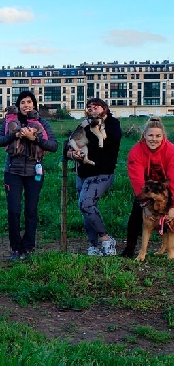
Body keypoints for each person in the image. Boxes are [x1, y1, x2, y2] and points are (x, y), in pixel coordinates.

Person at [0, 91, 58, 261]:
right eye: (23, 102)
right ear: (18, 105)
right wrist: (14, 135)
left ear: (34, 105)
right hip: (12, 172)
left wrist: (34, 138)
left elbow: (53, 145)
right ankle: (16, 248)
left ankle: (28, 247)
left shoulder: (42, 123)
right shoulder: (10, 122)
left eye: (29, 102)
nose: (26, 105)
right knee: (13, 211)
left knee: (31, 211)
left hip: (33, 173)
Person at [65, 98, 122, 256]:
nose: (91, 109)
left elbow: (111, 140)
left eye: (95, 107)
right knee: (86, 209)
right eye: (89, 107)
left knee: (86, 205)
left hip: (102, 173)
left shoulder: (112, 124)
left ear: (104, 108)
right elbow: (69, 144)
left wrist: (90, 126)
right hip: (82, 173)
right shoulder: (83, 124)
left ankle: (105, 239)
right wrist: (72, 154)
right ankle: (94, 245)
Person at [120, 117, 174, 258]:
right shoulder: (136, 152)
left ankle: (169, 249)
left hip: (168, 188)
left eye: (158, 136)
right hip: (147, 188)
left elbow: (173, 179)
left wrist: (172, 206)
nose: (154, 139)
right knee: (136, 214)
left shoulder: (171, 151)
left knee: (172, 218)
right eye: (150, 135)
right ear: (144, 135)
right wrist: (145, 206)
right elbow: (137, 180)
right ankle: (130, 248)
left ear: (163, 136)